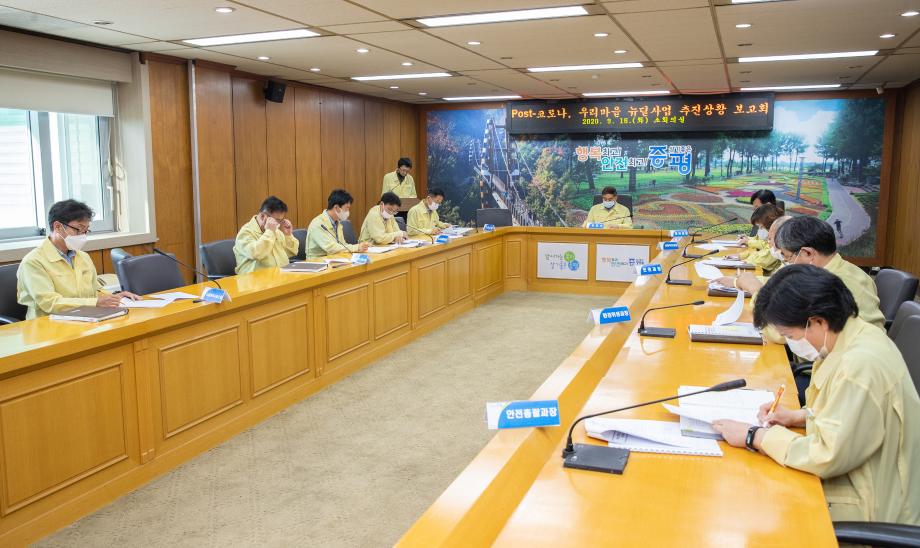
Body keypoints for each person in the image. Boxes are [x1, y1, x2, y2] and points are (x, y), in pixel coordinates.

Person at [711, 265, 920, 526]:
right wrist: (799, 416)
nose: (791, 341)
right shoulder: (853, 338)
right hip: (861, 479)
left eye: (790, 335)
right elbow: (849, 416)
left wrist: (755, 436)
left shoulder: (859, 366)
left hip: (869, 508)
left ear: (818, 321)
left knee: (745, 504)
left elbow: (827, 455)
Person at [721, 216, 885, 332]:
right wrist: (746, 281)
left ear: (808, 253)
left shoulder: (831, 285)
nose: (787, 263)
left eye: (787, 257)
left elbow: (780, 332)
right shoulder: (837, 270)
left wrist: (757, 291)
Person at [16, 199, 139, 319]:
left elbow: (95, 291)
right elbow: (49, 303)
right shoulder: (33, 261)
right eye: (79, 230)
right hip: (49, 324)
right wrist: (95, 303)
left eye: (86, 231)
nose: (83, 236)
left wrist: (116, 297)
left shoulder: (83, 257)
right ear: (57, 226)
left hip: (86, 318)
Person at [233, 196, 299, 274]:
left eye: (281, 220)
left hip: (280, 275)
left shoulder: (275, 230)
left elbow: (291, 252)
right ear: (263, 216)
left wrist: (288, 235)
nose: (278, 224)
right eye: (277, 220)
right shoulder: (245, 233)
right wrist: (270, 232)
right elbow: (257, 253)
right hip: (254, 279)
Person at [305, 189, 368, 259]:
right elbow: (330, 248)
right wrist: (356, 247)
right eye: (346, 208)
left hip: (335, 259)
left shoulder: (337, 223)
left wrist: (360, 247)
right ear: (336, 208)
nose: (348, 212)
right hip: (317, 262)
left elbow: (342, 245)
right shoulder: (318, 224)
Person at [731, 204, 782, 273]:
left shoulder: (777, 241)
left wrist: (744, 261)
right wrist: (741, 256)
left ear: (770, 223)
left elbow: (762, 260)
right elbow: (762, 249)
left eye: (761, 226)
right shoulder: (771, 238)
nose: (760, 228)